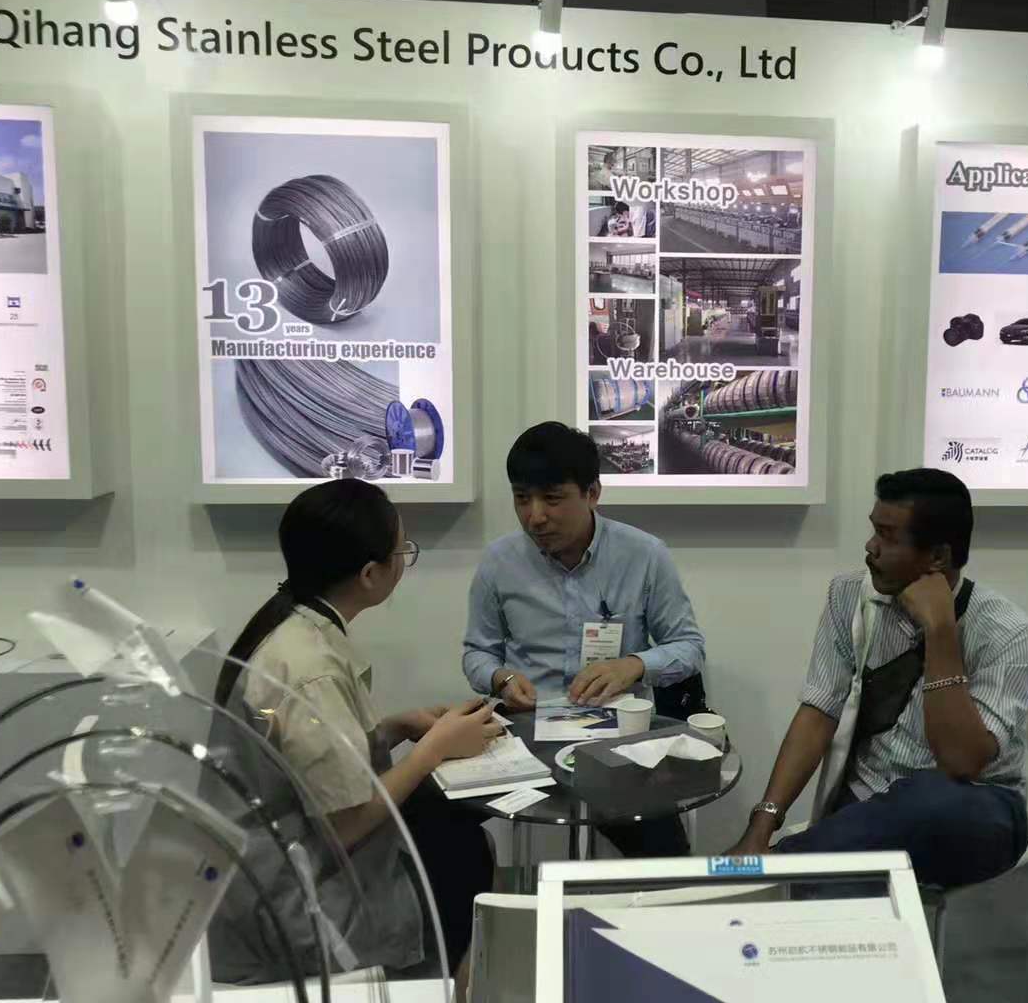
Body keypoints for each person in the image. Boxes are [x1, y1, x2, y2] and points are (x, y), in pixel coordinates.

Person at [211, 479, 497, 993]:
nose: (404, 562)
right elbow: (345, 825)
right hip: (292, 890)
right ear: (369, 574)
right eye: (402, 552)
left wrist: (399, 726)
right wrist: (434, 749)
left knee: (452, 825)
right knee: (461, 854)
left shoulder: (292, 626)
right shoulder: (308, 666)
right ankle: (443, 985)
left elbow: (307, 755)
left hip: (277, 849)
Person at [727, 468, 1028, 889]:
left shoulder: (1008, 632)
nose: (870, 547)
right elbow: (818, 713)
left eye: (888, 537)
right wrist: (761, 824)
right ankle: (792, 873)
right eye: (874, 530)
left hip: (974, 809)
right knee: (853, 873)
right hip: (871, 808)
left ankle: (779, 868)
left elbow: (961, 762)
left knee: (927, 800)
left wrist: (940, 631)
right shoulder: (849, 597)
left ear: (938, 557)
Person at [462, 421, 707, 856]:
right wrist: (501, 679)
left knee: (664, 854)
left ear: (592, 493)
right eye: (522, 498)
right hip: (527, 735)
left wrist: (634, 665)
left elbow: (689, 647)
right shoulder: (499, 562)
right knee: (439, 820)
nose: (535, 516)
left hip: (617, 739)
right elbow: (477, 652)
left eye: (553, 499)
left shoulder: (644, 555)